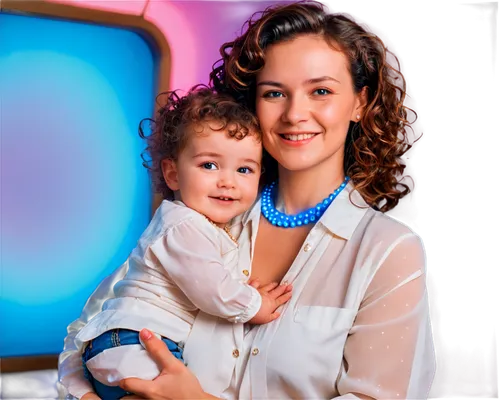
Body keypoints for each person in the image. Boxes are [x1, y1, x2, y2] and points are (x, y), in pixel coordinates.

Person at [58, 2, 436, 399]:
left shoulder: (389, 250)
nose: (294, 114)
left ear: (360, 102)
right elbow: (84, 333)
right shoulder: (201, 214)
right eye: (275, 93)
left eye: (320, 91)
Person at [60, 86, 293, 399]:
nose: (227, 180)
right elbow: (213, 290)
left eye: (244, 169)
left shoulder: (202, 224)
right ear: (172, 174)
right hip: (135, 341)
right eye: (209, 165)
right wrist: (256, 305)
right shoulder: (181, 226)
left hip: (124, 343)